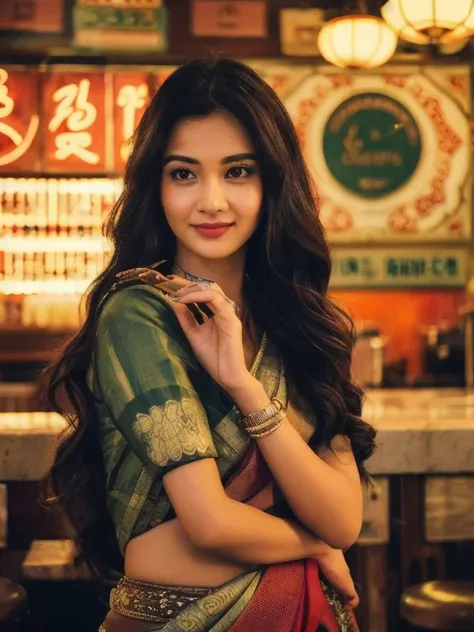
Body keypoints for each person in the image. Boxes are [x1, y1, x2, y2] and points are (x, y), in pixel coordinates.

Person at [43, 57, 376, 632]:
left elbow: (344, 519)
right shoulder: (139, 315)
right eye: (184, 173)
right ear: (156, 184)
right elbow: (210, 522)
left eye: (239, 171)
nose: (212, 201)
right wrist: (313, 547)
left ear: (273, 182)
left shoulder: (297, 322)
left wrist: (245, 388)